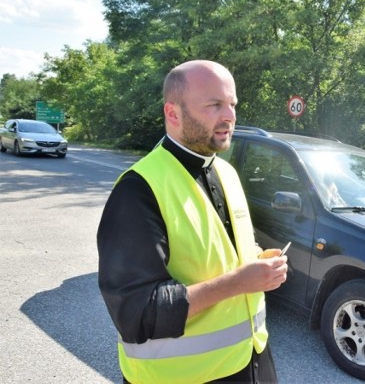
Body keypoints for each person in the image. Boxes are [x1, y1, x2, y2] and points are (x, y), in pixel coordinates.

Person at [97, 60, 288, 383]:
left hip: (251, 363)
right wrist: (240, 281)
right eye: (214, 105)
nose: (229, 116)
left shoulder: (226, 172)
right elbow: (136, 314)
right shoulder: (137, 189)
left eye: (232, 104)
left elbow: (222, 251)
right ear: (173, 113)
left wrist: (259, 261)